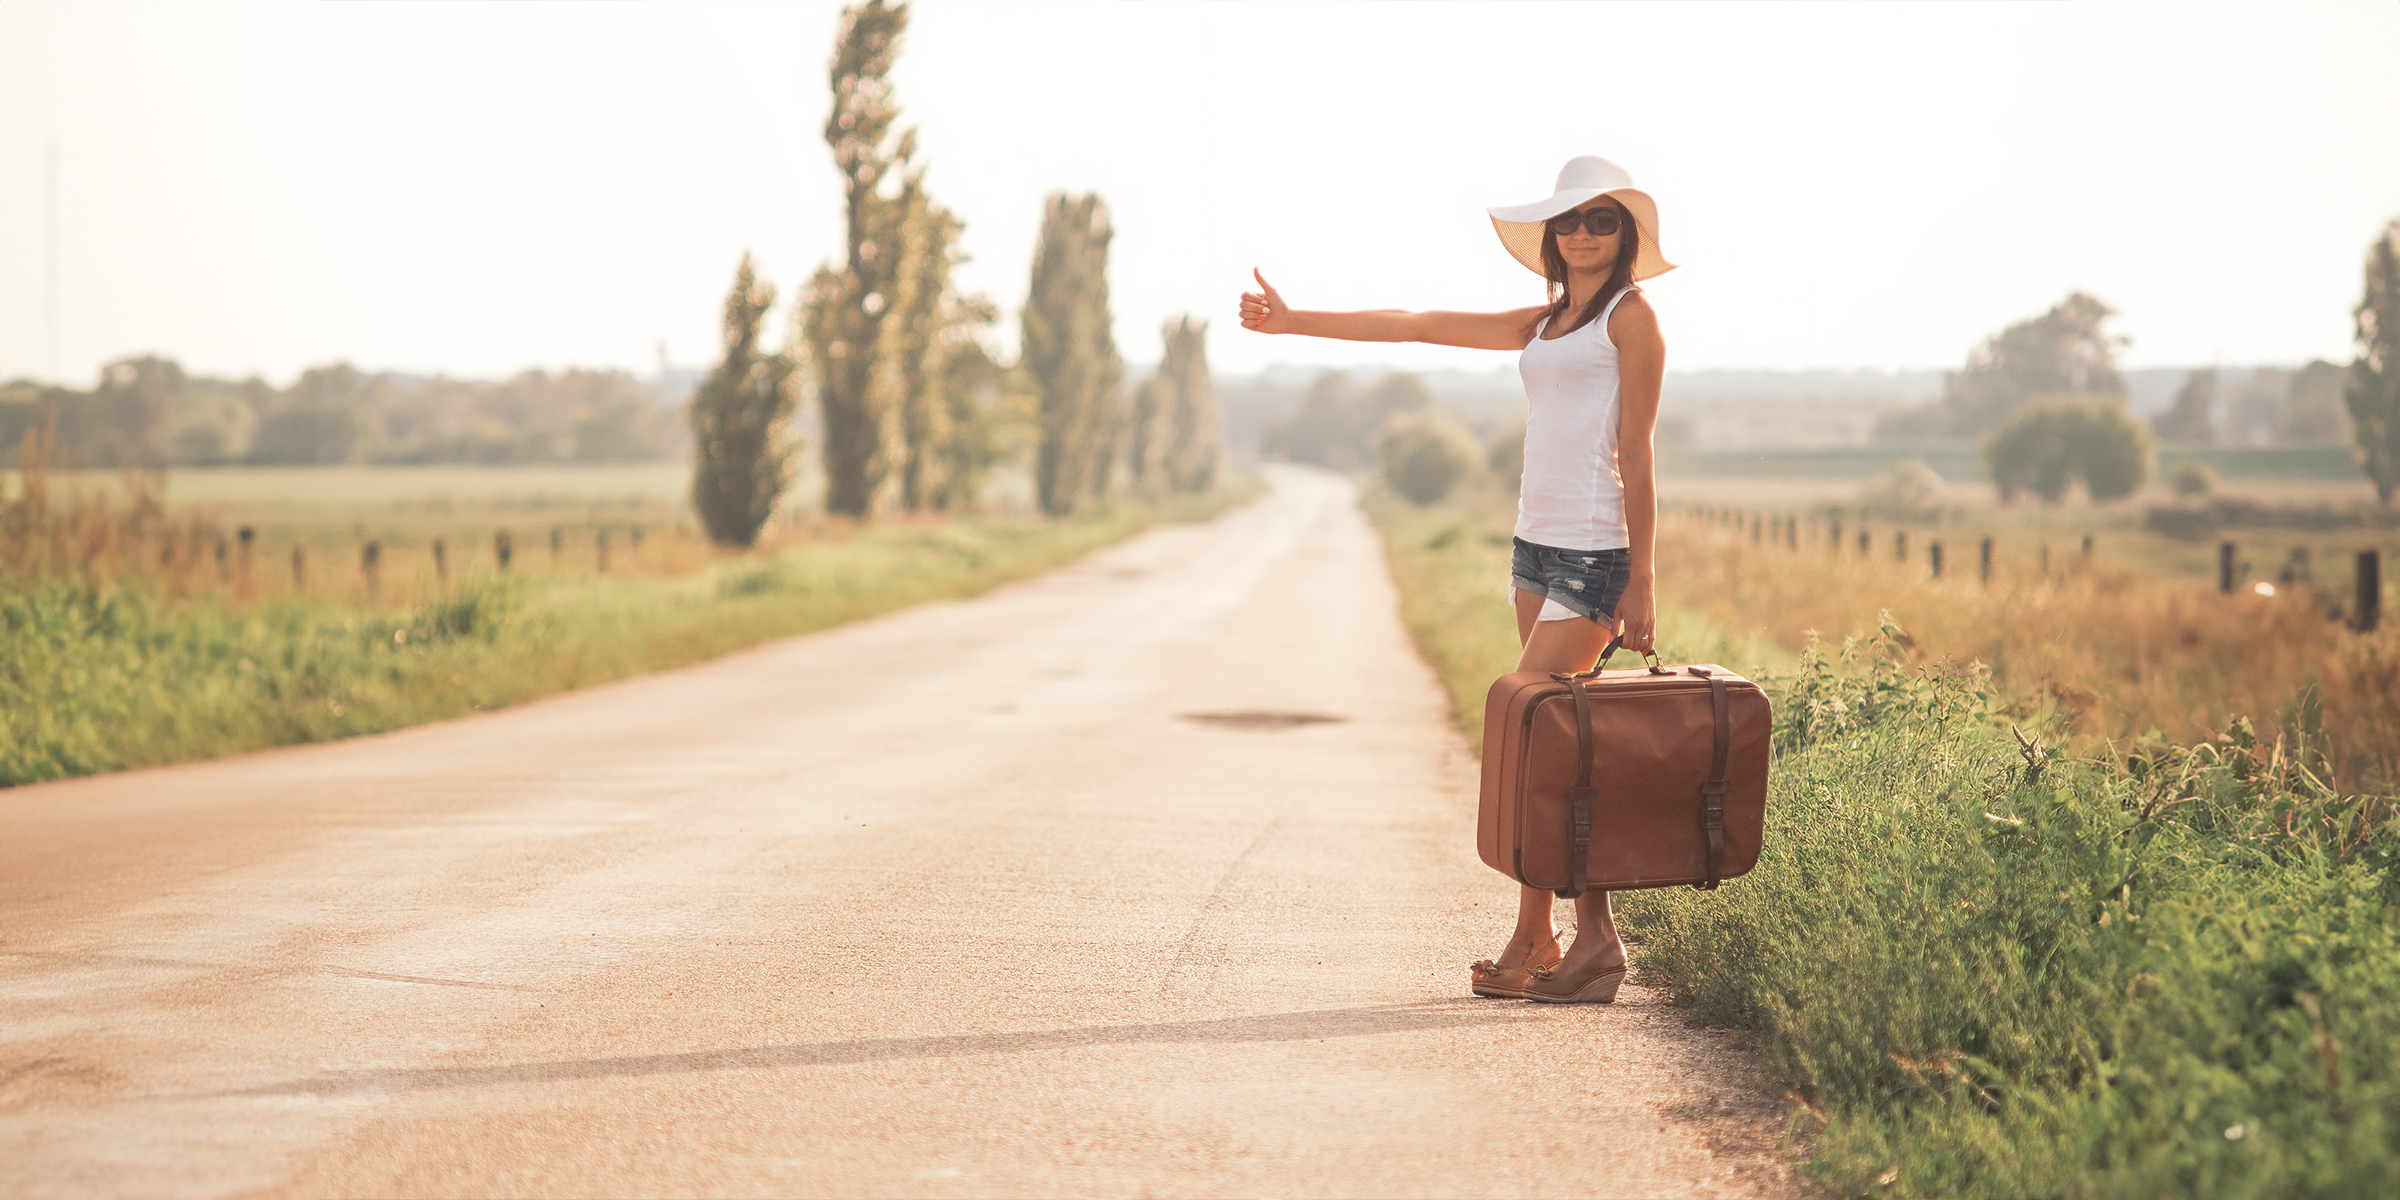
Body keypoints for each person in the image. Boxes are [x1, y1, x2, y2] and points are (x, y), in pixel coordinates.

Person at [1239, 155, 1672, 1004]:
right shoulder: (1546, 323)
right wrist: (1293, 324)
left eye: (1603, 221)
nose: (1584, 234)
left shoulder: (1633, 320)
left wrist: (1644, 577)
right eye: (1571, 222)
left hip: (1594, 556)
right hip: (1534, 548)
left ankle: (1543, 938)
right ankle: (1576, 941)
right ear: (1553, 237)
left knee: (1533, 729)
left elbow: (1638, 450)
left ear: (1625, 238)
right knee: (1554, 745)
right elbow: (1416, 323)